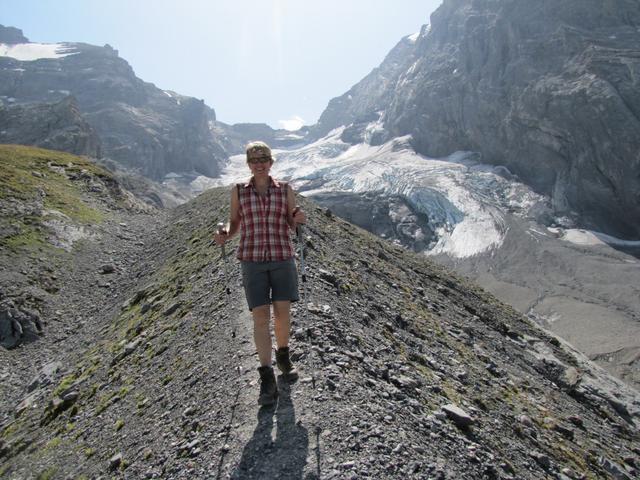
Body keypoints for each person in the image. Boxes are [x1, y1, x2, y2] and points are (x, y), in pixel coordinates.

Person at [214, 141, 306, 406]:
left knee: (282, 313)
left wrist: (297, 220)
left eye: (263, 159)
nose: (259, 164)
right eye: (254, 160)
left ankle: (283, 355)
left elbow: (290, 222)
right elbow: (235, 222)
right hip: (252, 259)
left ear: (271, 162)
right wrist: (225, 234)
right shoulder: (239, 191)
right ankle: (266, 375)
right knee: (260, 317)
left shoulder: (285, 189)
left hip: (281, 256)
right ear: (248, 164)